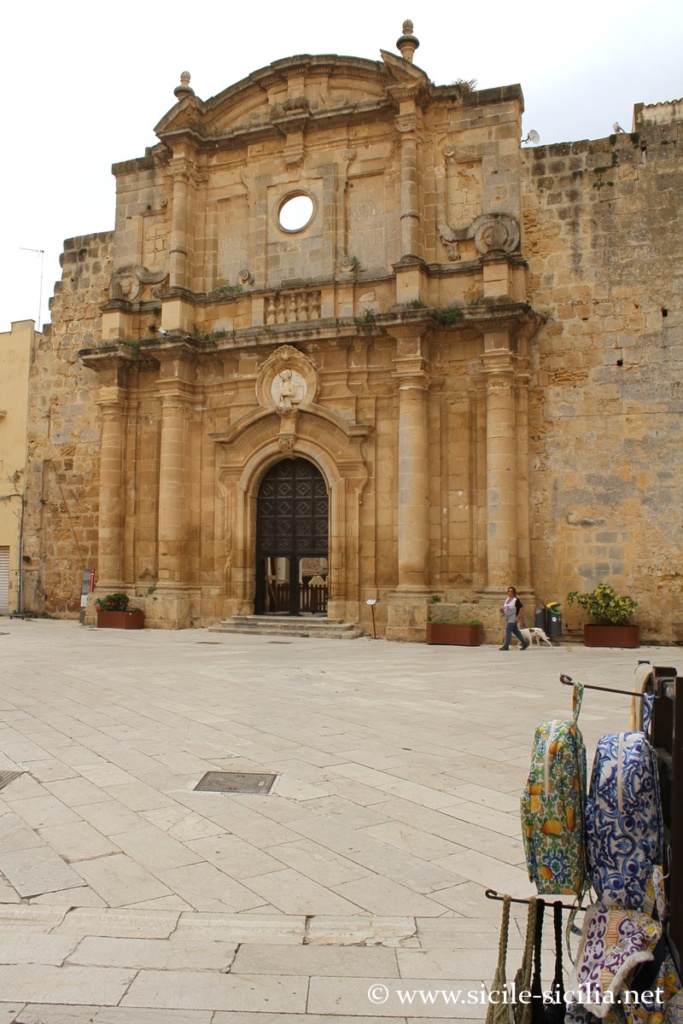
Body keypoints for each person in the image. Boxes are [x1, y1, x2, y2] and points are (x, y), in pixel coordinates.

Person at [500, 586, 529, 650]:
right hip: (508, 617)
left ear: (514, 592)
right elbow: (506, 607)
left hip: (513, 617)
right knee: (516, 631)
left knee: (508, 630)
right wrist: (502, 609)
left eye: (511, 591)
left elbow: (522, 608)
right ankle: (524, 643)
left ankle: (506, 645)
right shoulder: (507, 599)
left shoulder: (516, 600)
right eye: (509, 591)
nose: (509, 592)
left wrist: (518, 617)